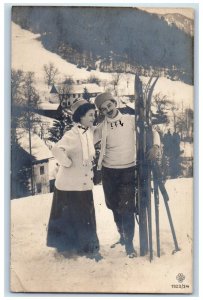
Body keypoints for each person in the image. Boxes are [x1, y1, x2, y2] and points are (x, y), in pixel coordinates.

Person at [94, 92, 160, 258]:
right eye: (103, 109)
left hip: (128, 171)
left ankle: (129, 245)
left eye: (109, 105)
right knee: (113, 206)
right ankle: (122, 235)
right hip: (109, 172)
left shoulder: (131, 120)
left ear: (114, 103)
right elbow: (86, 140)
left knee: (127, 208)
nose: (107, 110)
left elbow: (152, 131)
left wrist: (156, 146)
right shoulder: (101, 128)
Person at [47, 99, 102, 261]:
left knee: (85, 217)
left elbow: (102, 130)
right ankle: (69, 249)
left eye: (94, 114)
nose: (94, 117)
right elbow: (56, 149)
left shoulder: (90, 132)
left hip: (84, 183)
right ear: (81, 117)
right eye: (90, 115)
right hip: (68, 185)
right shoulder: (71, 135)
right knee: (70, 217)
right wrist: (67, 162)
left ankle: (87, 248)